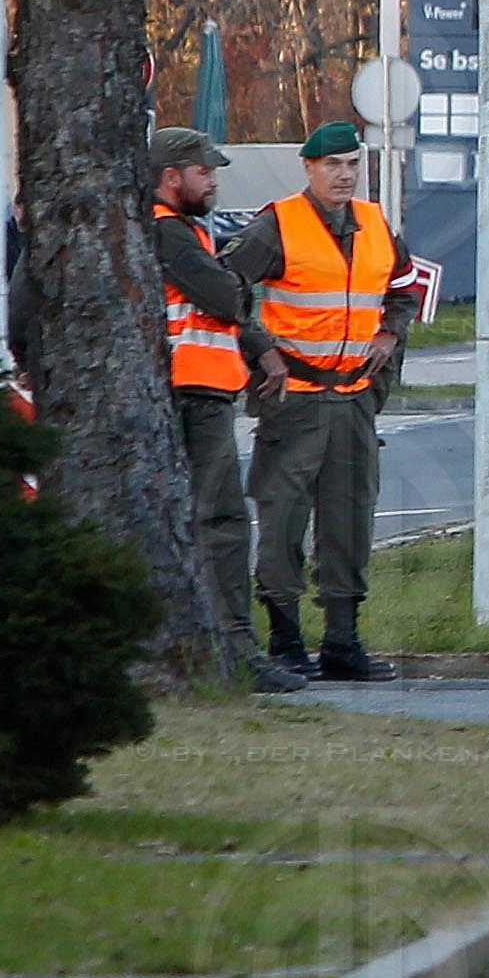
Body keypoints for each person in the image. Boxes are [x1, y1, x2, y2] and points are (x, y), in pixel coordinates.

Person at [225, 120, 418, 681]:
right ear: (308, 168)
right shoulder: (277, 225)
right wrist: (261, 349)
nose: (344, 175)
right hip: (293, 399)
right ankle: (285, 642)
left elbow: (404, 287)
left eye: (352, 164)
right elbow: (224, 286)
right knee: (283, 518)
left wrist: (391, 333)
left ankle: (342, 644)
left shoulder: (375, 224)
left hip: (354, 398)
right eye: (333, 165)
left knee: (350, 520)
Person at [150, 127, 303, 692]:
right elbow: (224, 297)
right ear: (172, 177)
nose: (213, 182)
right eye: (204, 172)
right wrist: (236, 288)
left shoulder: (183, 230)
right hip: (192, 391)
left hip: (199, 390)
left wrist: (258, 343)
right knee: (221, 523)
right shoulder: (168, 232)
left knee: (203, 521)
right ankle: (236, 648)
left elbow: (227, 301)